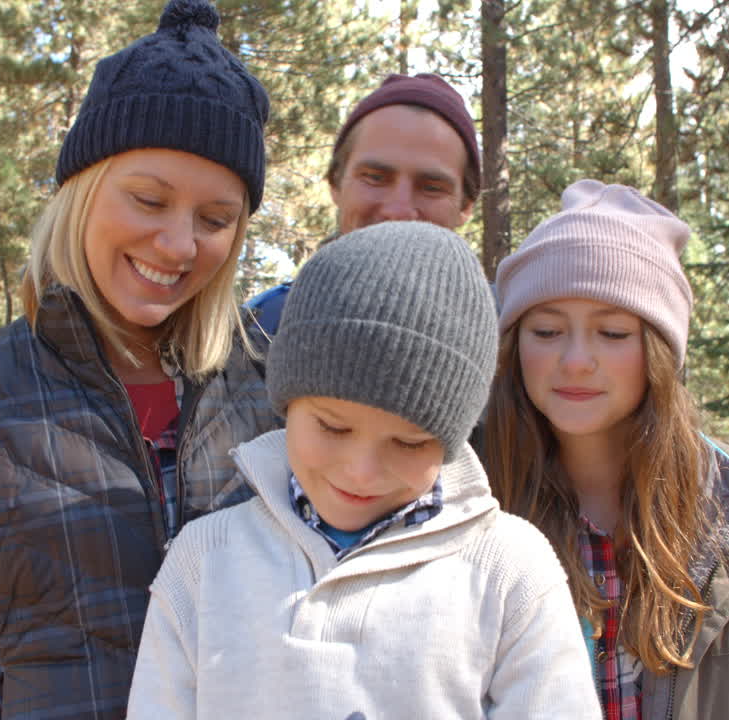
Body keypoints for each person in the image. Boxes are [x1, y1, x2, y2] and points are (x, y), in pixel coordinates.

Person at [0, 2, 278, 717]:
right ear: (80, 190)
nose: (178, 243)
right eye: (148, 199)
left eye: (216, 219)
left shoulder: (282, 390)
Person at [127, 221, 602, 720]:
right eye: (332, 427)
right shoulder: (206, 560)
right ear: (286, 404)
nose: (361, 471)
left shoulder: (509, 570)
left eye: (408, 442)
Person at [484, 180, 729, 720]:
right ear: (515, 347)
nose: (577, 359)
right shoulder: (468, 504)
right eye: (547, 330)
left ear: (659, 353)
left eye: (612, 332)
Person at [245, 72, 480, 334]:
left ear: (466, 205)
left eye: (432, 187)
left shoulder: (511, 351)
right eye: (375, 178)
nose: (398, 211)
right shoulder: (258, 334)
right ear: (335, 183)